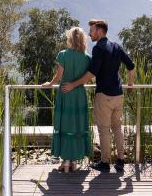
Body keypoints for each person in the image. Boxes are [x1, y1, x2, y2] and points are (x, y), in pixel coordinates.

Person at [61, 19, 135, 173]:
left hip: (104, 95)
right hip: (118, 94)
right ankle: (121, 161)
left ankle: (105, 162)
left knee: (104, 130)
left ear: (100, 31)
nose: (89, 34)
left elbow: (91, 73)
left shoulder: (98, 48)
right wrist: (130, 85)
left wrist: (73, 84)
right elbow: (131, 66)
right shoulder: (116, 46)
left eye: (92, 31)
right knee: (117, 128)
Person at [42, 26, 91, 173]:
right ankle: (74, 161)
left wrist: (49, 84)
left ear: (70, 39)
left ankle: (66, 161)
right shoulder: (87, 58)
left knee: (65, 125)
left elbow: (58, 77)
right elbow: (88, 78)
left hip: (65, 92)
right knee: (76, 126)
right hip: (79, 94)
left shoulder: (63, 55)